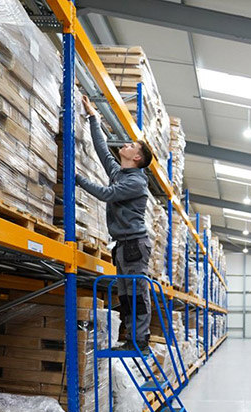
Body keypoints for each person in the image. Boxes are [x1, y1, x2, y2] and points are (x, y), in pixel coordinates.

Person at [75, 95, 155, 353]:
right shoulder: (121, 173)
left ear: (136, 159)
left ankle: (139, 341)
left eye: (132, 145)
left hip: (134, 244)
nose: (126, 145)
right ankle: (132, 338)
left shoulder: (135, 182)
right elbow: (101, 150)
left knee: (136, 294)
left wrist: (77, 179)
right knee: (126, 295)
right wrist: (93, 117)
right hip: (123, 245)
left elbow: (107, 195)